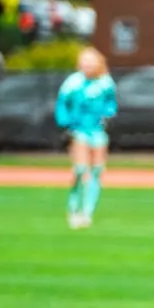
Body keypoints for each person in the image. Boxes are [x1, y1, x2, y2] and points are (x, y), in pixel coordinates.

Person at [55, 47, 117, 229]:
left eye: (91, 61)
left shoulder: (105, 83)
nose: (88, 65)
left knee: (97, 170)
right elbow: (62, 105)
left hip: (97, 131)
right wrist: (65, 123)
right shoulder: (72, 83)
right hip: (79, 130)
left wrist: (108, 114)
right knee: (80, 170)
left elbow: (111, 103)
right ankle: (73, 209)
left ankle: (87, 212)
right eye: (84, 61)